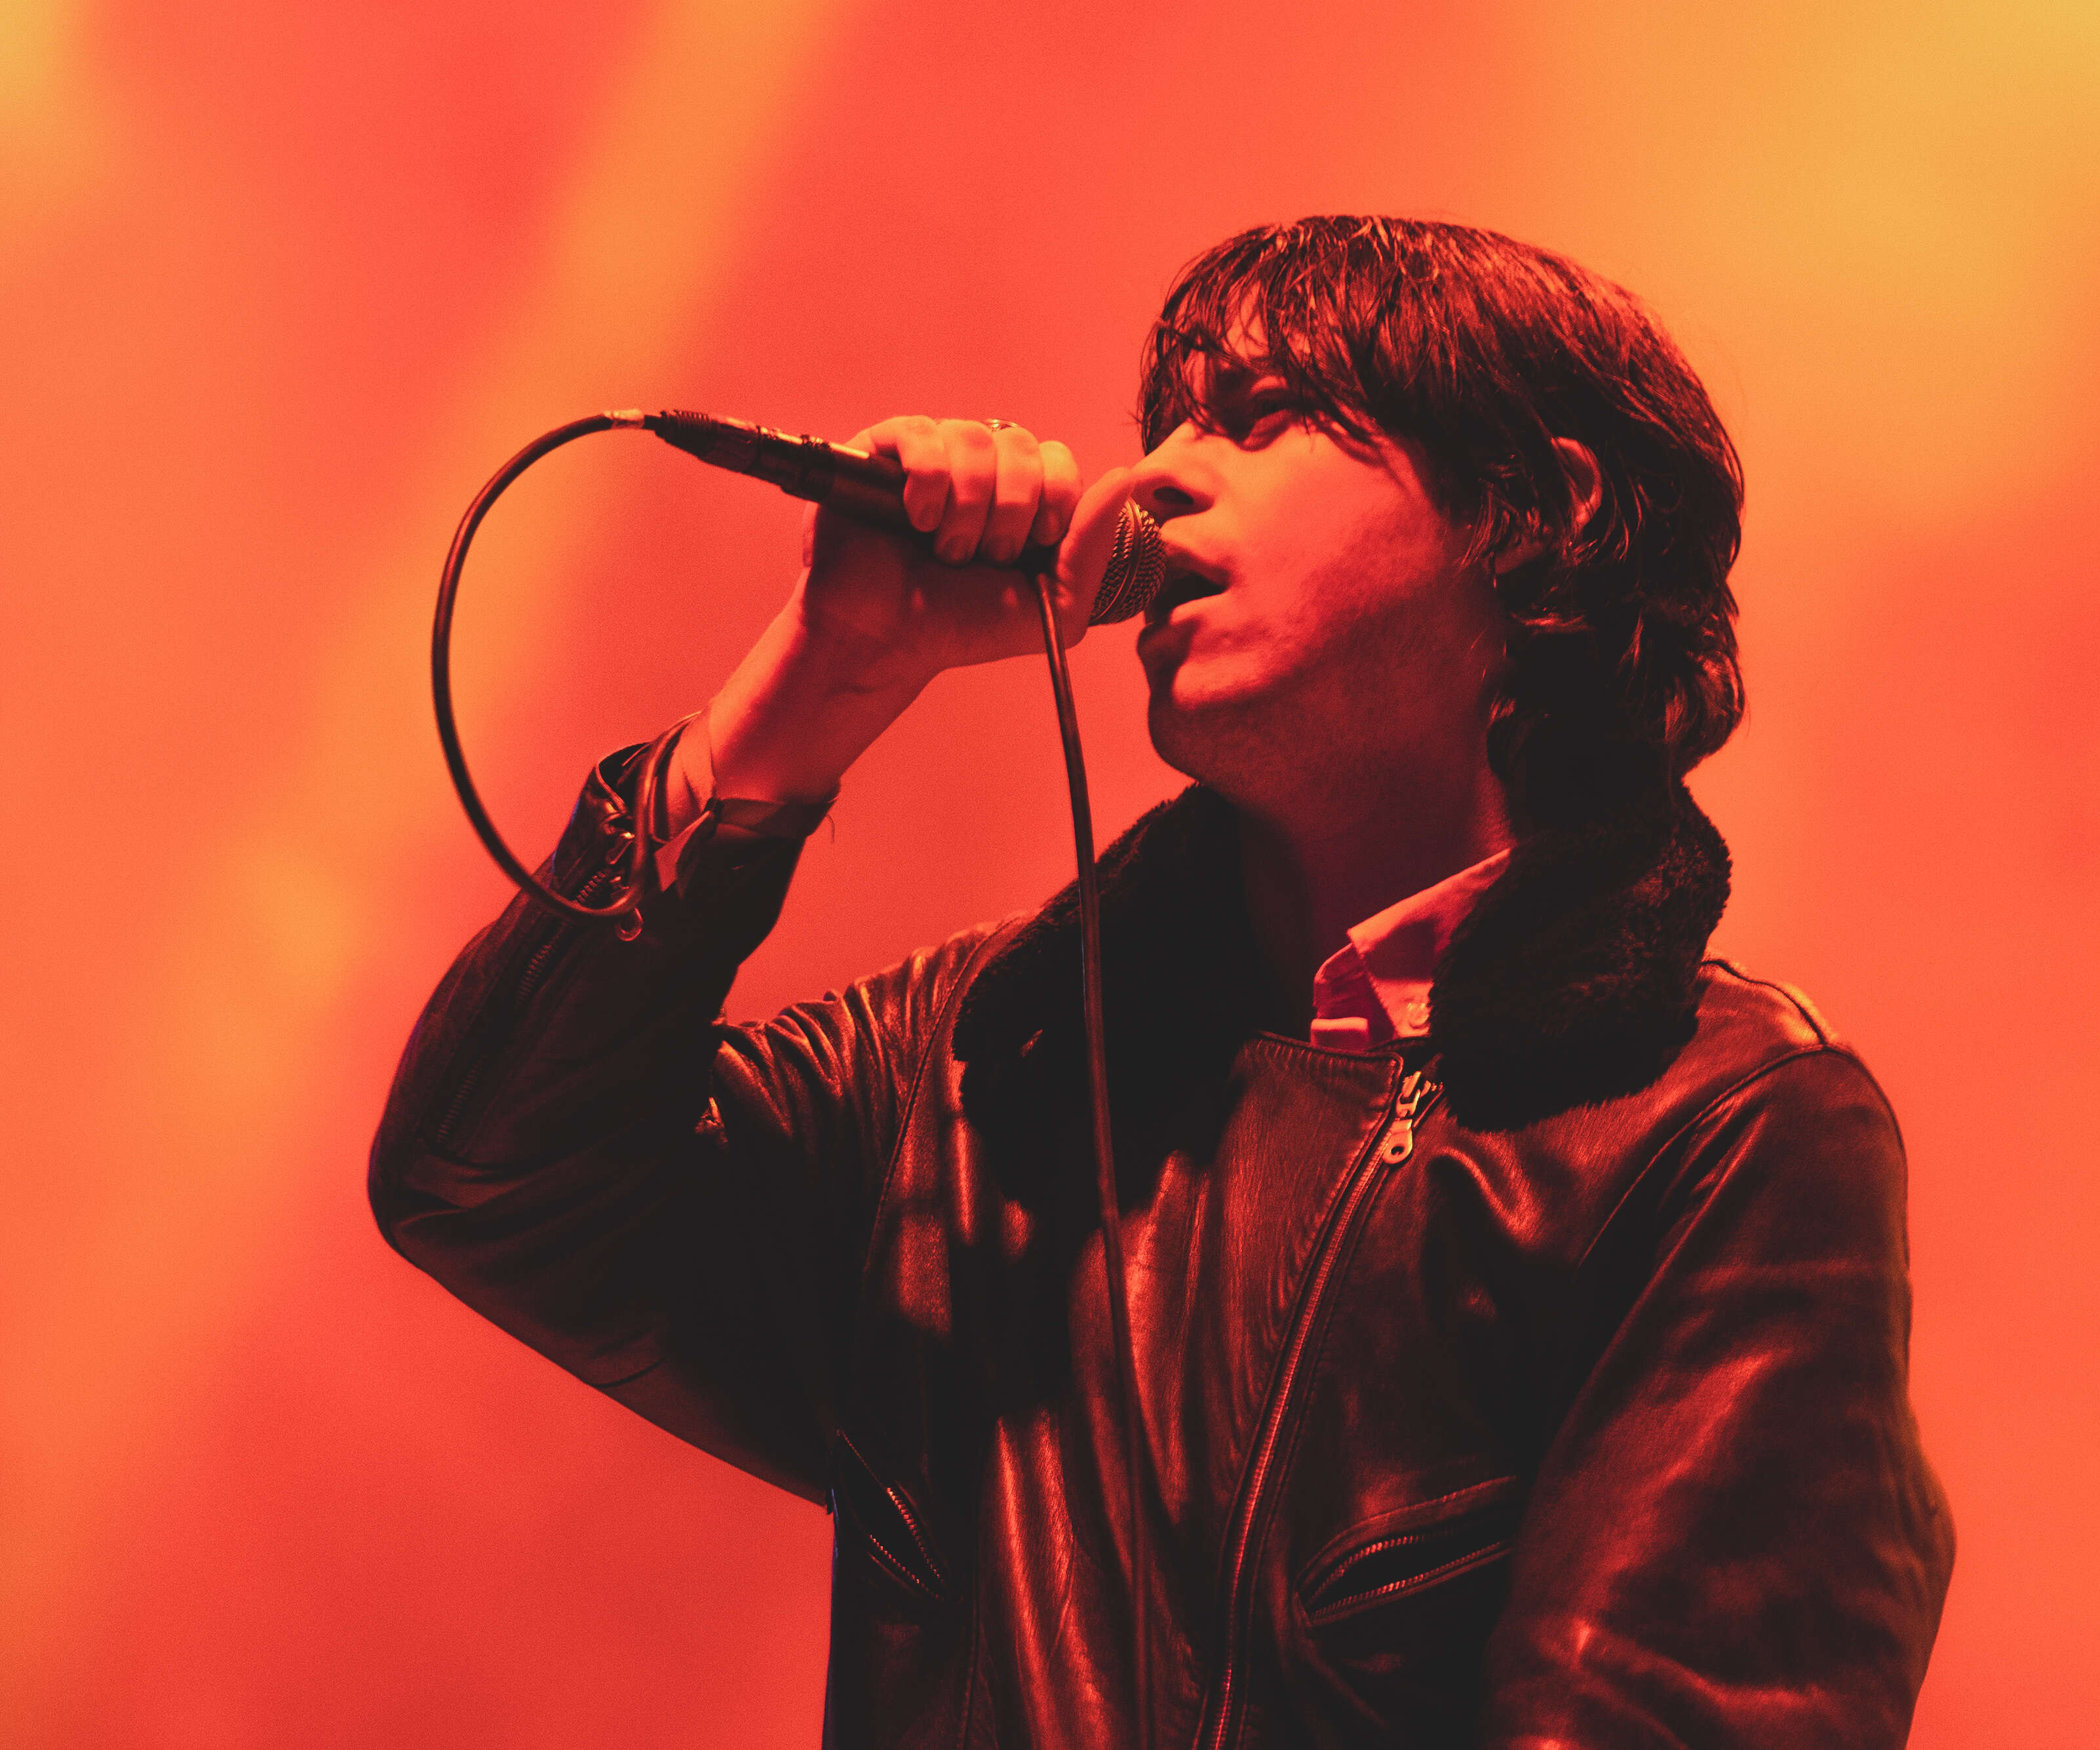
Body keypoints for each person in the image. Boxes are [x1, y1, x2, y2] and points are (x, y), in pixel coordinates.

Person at [372, 215, 1953, 1749]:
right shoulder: (983, 1064)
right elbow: (485, 1177)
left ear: (1535, 514)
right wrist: (829, 671)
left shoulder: (1715, 1129)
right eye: (1168, 424)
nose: (1152, 477)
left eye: (1258, 419)